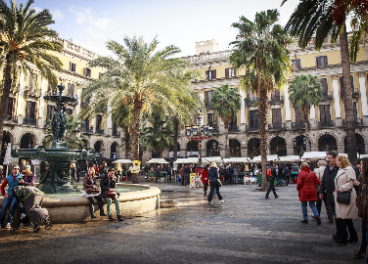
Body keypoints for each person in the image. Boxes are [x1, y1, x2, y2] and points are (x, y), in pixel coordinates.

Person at [334, 155, 358, 245]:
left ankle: (343, 238)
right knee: (346, 218)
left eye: (337, 161)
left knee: (343, 217)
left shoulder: (349, 169)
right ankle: (353, 236)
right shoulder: (340, 170)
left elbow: (352, 182)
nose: (336, 162)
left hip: (346, 196)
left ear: (342, 161)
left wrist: (341, 188)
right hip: (341, 196)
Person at [0, 164, 23, 229]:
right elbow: (2, 186)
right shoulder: (8, 177)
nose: (17, 170)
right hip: (9, 194)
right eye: (15, 169)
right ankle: (1, 222)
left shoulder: (21, 177)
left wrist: (22, 183)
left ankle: (9, 222)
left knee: (12, 206)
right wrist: (4, 194)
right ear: (12, 170)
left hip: (16, 196)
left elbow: (23, 187)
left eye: (18, 169)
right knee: (4, 206)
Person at [354, 158, 368, 260]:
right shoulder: (363, 176)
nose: (360, 165)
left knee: (366, 233)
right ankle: (362, 250)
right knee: (364, 232)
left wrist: (360, 185)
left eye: (362, 164)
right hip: (364, 208)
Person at [319, 152, 339, 224]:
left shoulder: (338, 168)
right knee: (328, 205)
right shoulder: (327, 168)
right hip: (327, 191)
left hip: (336, 191)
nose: (328, 160)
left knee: (336, 206)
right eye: (328, 158)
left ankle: (338, 218)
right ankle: (331, 219)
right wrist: (321, 191)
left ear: (335, 158)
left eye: (330, 158)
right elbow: (323, 180)